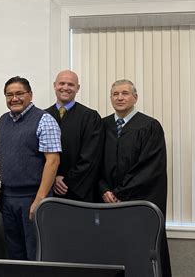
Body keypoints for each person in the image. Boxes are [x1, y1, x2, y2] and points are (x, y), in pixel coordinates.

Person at [100, 79, 171, 276]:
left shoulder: (149, 126)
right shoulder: (102, 125)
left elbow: (149, 167)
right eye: (115, 94)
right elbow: (94, 163)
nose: (120, 97)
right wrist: (103, 189)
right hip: (105, 203)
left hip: (138, 203)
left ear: (135, 97)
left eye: (125, 93)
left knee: (139, 253)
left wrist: (119, 193)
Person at [0, 76, 61, 261]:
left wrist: (40, 198)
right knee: (14, 252)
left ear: (30, 95)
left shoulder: (44, 120)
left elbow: (53, 161)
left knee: (36, 254)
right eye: (9, 95)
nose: (14, 98)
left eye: (19, 93)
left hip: (33, 197)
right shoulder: (3, 120)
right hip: (8, 199)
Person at [45, 70, 103, 202]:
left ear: (78, 88)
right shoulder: (43, 116)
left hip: (78, 192)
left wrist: (66, 181)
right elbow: (37, 156)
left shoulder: (90, 117)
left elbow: (91, 157)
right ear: (54, 85)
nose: (65, 87)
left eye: (70, 84)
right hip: (48, 190)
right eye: (62, 83)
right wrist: (52, 178)